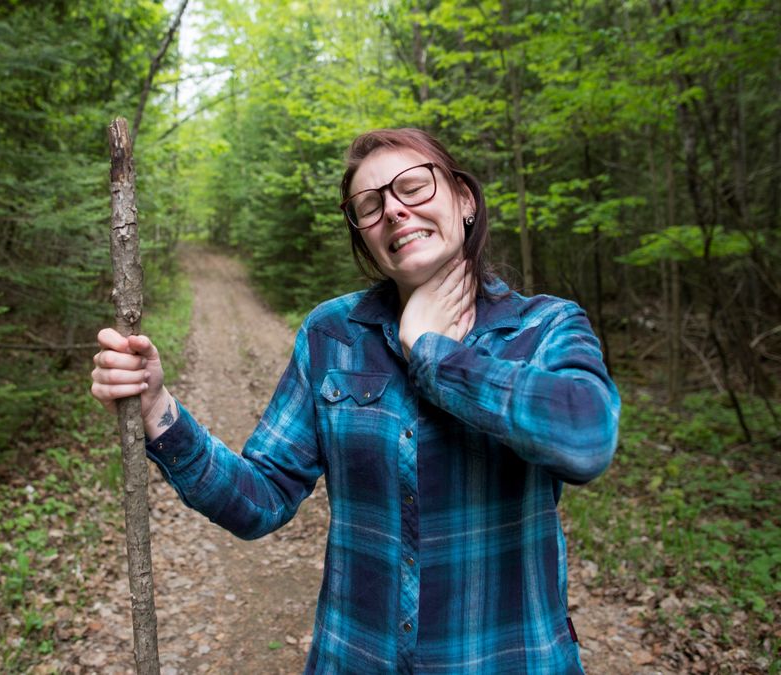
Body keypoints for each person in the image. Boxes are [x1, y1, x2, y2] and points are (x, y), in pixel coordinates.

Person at [90, 127, 620, 673]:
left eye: (413, 187)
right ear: (364, 235)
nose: (394, 210)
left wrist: (432, 352)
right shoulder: (333, 335)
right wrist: (158, 411)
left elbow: (587, 439)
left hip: (512, 659)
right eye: (371, 205)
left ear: (465, 200)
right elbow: (262, 498)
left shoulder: (545, 326)